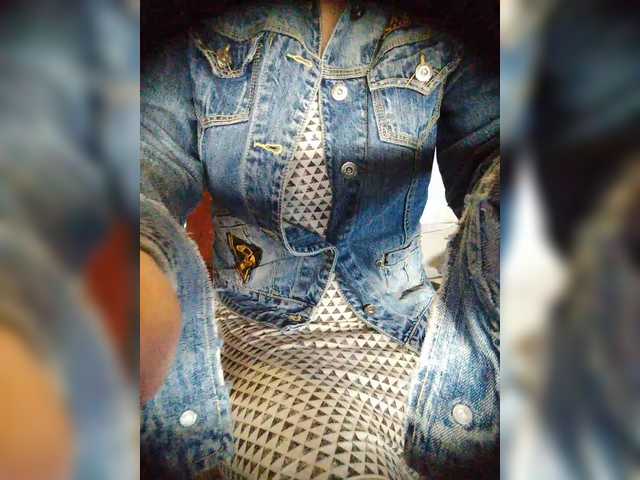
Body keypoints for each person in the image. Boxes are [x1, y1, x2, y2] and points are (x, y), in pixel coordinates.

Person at [140, 0, 499, 478]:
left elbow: (490, 144)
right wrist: (139, 252)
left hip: (407, 326)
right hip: (256, 332)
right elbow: (148, 154)